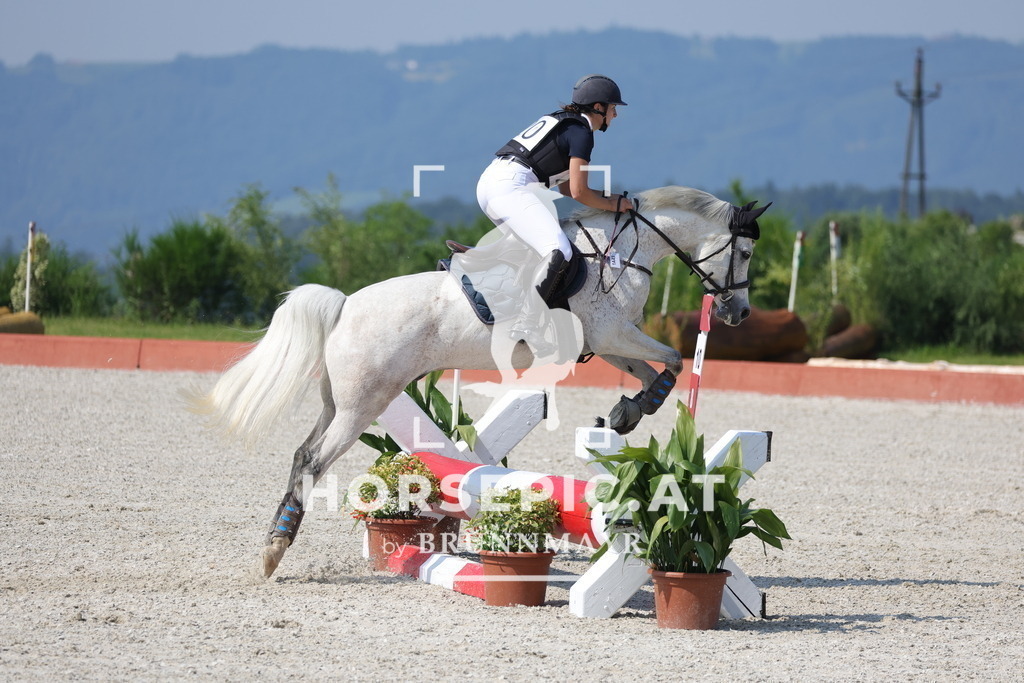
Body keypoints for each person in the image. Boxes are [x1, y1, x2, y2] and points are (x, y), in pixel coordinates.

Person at [476, 74, 629, 357]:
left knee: (535, 251)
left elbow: (568, 189)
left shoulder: (563, 122)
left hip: (493, 182)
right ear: (598, 107)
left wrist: (610, 199)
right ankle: (527, 324)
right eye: (612, 108)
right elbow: (581, 193)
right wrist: (614, 206)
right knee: (558, 249)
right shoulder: (582, 133)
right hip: (512, 186)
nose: (615, 114)